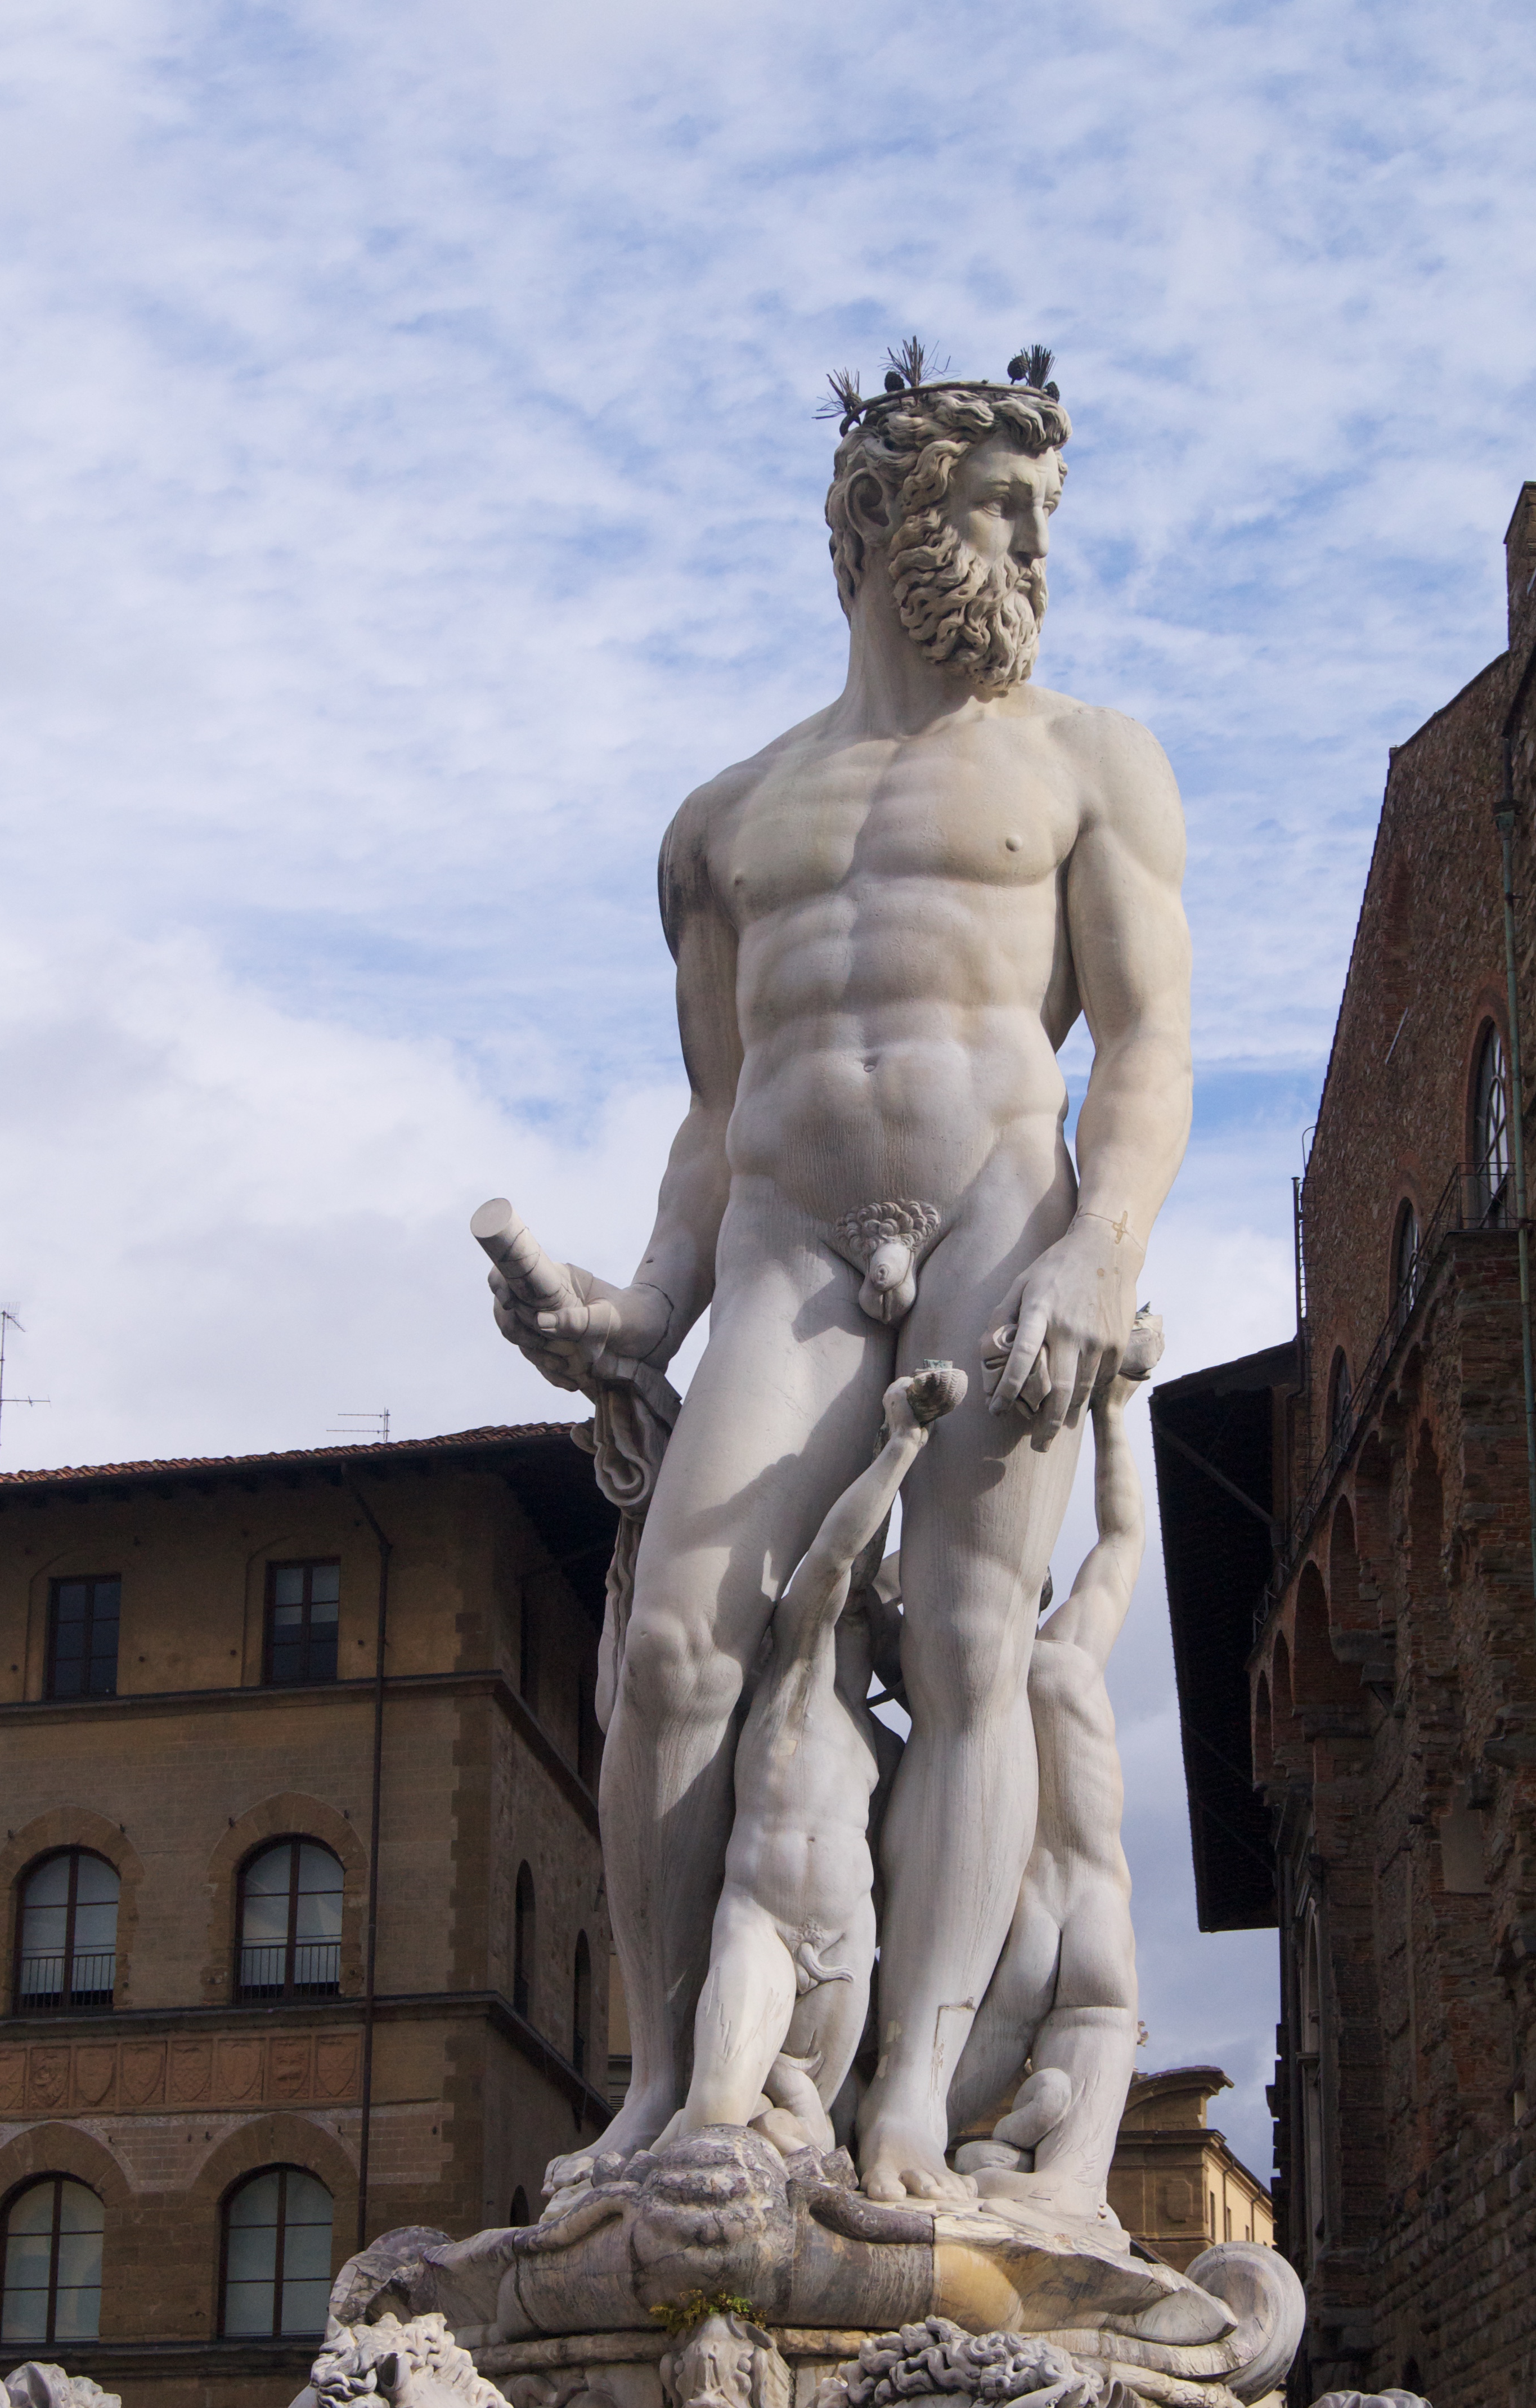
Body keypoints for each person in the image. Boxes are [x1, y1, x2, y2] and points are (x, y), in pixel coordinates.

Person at [493, 349, 1191, 2204]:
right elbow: (715, 1111)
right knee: (671, 1648)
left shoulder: (1090, 760)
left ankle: (909, 2109)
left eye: (1044, 517)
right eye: (1005, 509)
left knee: (968, 1644)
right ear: (891, 515)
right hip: (787, 1240)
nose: (1036, 551)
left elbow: (1146, 1048)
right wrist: (640, 1306)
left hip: (998, 1218)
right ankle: (667, 2092)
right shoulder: (725, 820)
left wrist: (1098, 1251)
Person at [666, 1365, 967, 2155]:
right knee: (718, 2112)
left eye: (872, 1612)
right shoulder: (795, 1673)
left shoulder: (885, 1749)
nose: (855, 1609)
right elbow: (835, 1559)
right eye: (854, 1607)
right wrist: (902, 1443)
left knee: (810, 2141)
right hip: (760, 1928)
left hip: (845, 1943)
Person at [948, 1312, 1162, 2240]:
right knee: (1077, 2178)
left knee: (916, 2118)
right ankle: (1059, 2183)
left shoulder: (961, 1689)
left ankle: (966, 2157)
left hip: (1024, 1917)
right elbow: (1121, 1540)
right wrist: (1115, 1408)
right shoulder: (1066, 1653)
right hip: (1100, 1908)